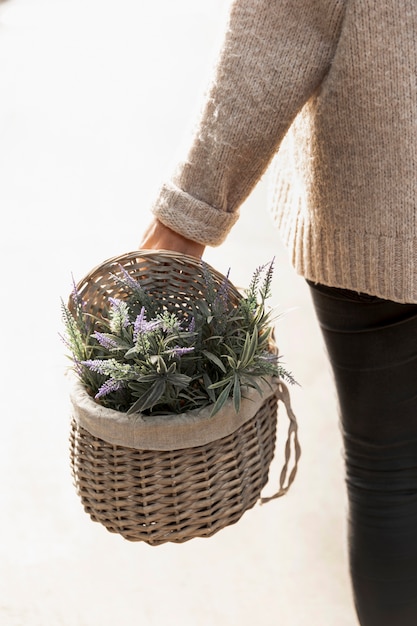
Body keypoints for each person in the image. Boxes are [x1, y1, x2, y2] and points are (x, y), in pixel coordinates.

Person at [140, 1, 417, 624]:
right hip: (387, 208)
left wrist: (186, 214)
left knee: (394, 478)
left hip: (389, 197)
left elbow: (290, 18)